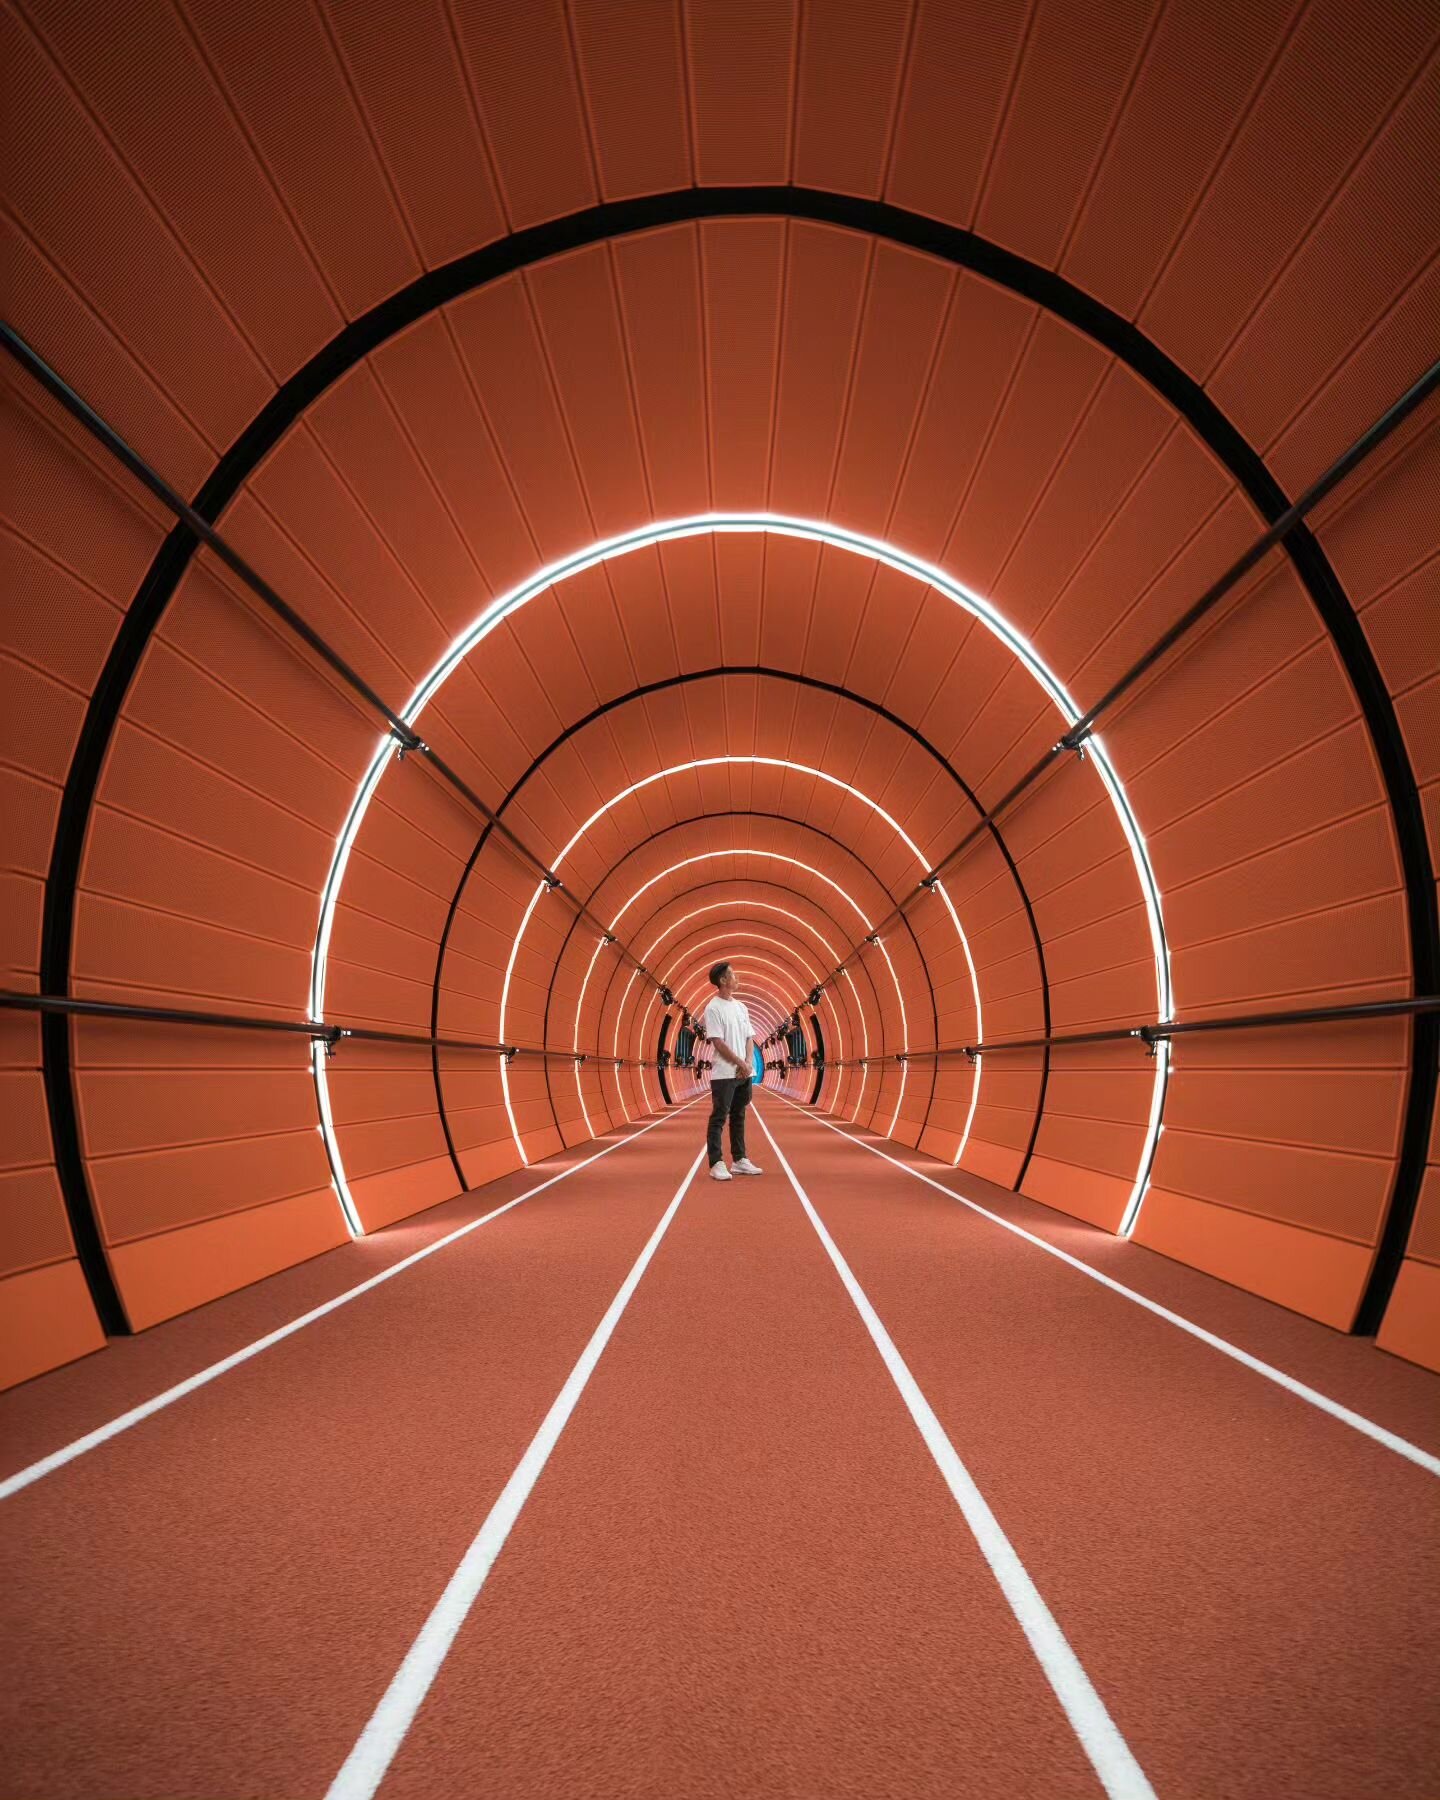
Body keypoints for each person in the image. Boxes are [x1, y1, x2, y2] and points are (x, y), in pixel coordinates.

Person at [699, 960, 764, 1182]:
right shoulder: (713, 1007)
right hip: (725, 1073)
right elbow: (717, 1042)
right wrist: (740, 1064)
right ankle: (716, 1162)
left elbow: (749, 1037)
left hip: (743, 1072)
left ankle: (739, 1160)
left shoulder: (741, 1007)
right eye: (732, 974)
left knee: (739, 1115)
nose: (737, 977)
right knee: (719, 1117)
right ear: (723, 980)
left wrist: (747, 1063)